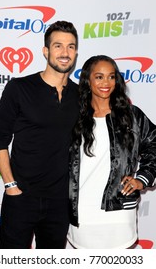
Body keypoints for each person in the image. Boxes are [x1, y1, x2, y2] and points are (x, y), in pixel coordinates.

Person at [0, 20, 79, 249]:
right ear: (46, 51)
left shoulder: (81, 95)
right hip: (21, 197)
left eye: (70, 46)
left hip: (60, 201)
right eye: (58, 46)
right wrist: (11, 186)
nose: (65, 53)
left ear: (76, 52)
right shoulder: (19, 88)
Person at [67, 55, 156, 249]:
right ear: (87, 81)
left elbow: (154, 145)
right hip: (82, 215)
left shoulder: (132, 116)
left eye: (111, 76)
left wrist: (143, 178)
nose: (106, 83)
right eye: (99, 77)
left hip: (120, 215)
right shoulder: (74, 117)